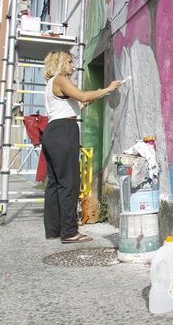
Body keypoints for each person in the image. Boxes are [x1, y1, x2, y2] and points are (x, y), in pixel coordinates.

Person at [41, 50, 121, 243]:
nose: (73, 66)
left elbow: (79, 104)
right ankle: (69, 232)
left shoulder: (51, 84)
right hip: (64, 131)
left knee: (54, 183)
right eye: (69, 62)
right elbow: (83, 97)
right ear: (60, 63)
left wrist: (98, 95)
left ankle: (54, 229)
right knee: (69, 182)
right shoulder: (61, 79)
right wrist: (108, 88)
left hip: (53, 131)